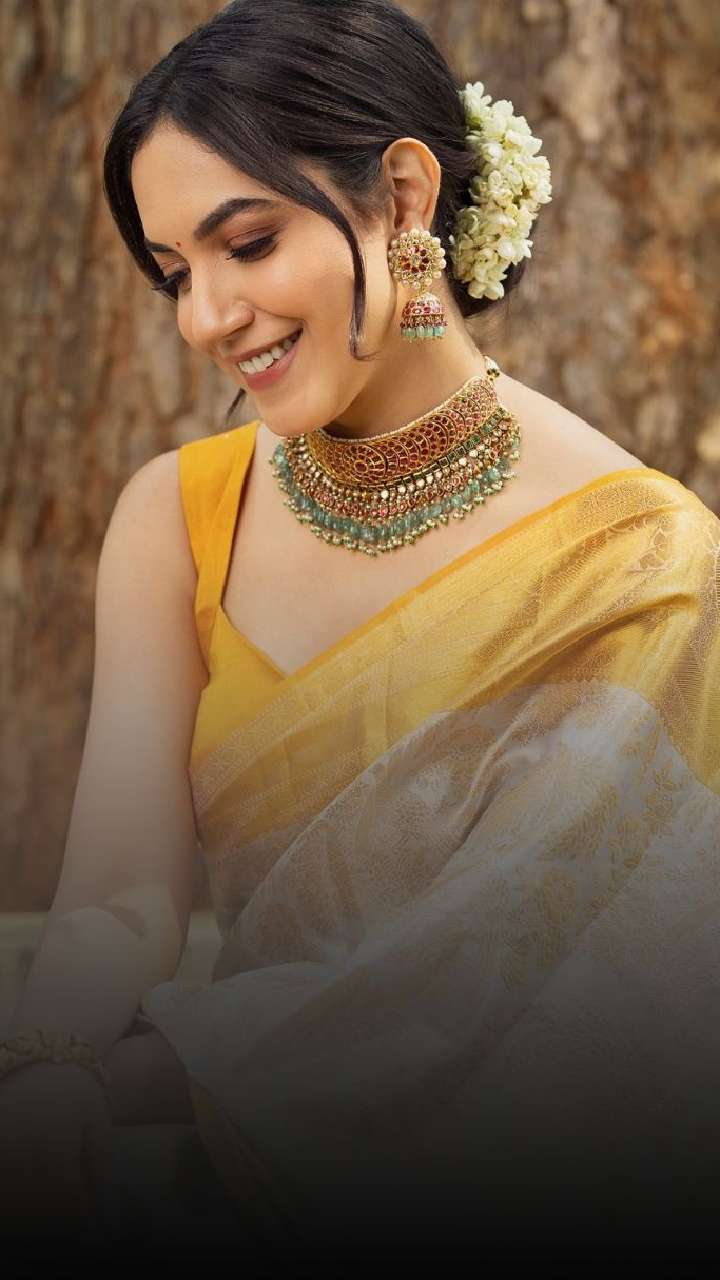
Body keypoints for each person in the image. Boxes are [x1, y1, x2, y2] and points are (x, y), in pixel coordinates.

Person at [1, 0, 719, 1266]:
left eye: (248, 243)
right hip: (218, 1151)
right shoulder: (180, 518)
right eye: (175, 273)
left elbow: (550, 995)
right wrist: (50, 1062)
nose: (207, 316)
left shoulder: (640, 561)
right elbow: (120, 894)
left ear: (402, 197)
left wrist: (138, 1084)